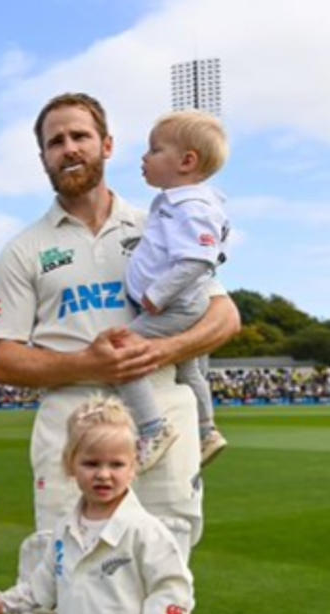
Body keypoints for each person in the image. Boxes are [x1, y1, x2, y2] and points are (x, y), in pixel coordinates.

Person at [0, 92, 240, 614]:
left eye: (79, 135)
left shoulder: (165, 217)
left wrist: (164, 350)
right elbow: (4, 360)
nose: (68, 148)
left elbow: (224, 314)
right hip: (69, 430)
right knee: (57, 599)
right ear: (43, 157)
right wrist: (88, 364)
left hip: (159, 426)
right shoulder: (25, 248)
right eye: (54, 141)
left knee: (162, 590)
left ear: (107, 145)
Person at [0, 396, 193, 614]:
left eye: (116, 464)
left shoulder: (145, 531)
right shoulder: (65, 531)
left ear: (133, 466)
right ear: (71, 464)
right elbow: (42, 587)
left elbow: (175, 593)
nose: (103, 474)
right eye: (91, 463)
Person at [118, 110, 232, 471]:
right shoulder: (180, 203)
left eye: (154, 150)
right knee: (190, 370)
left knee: (124, 355)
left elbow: (199, 260)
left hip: (174, 307)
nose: (144, 157)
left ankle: (153, 428)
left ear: (186, 161)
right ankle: (207, 431)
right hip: (182, 304)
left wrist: (157, 295)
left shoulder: (191, 207)